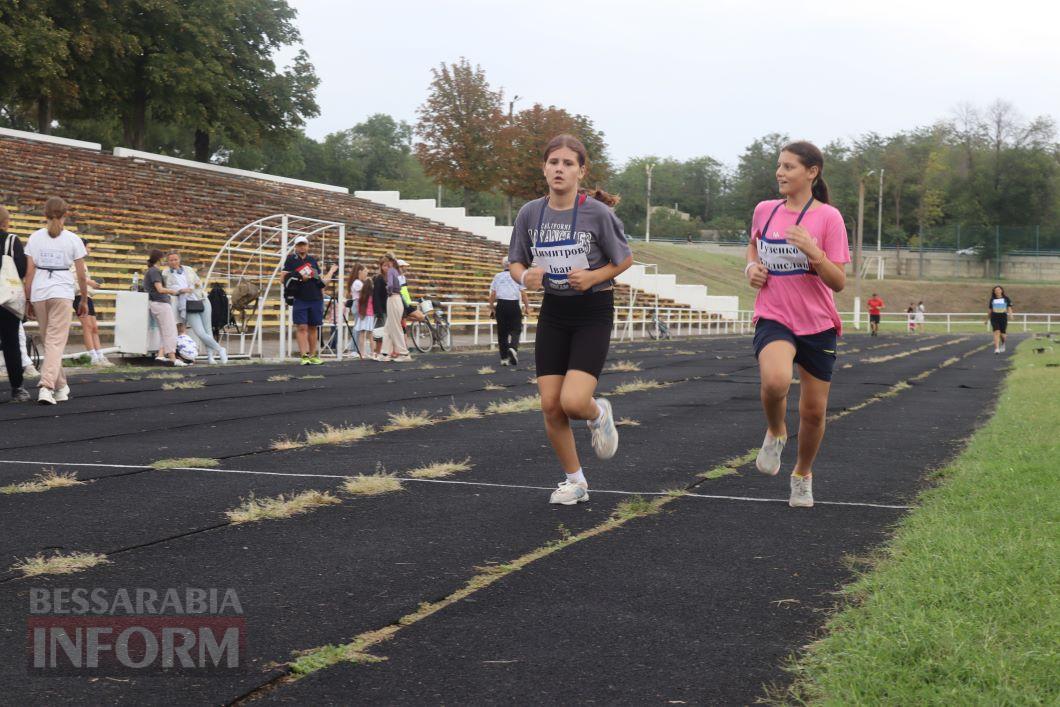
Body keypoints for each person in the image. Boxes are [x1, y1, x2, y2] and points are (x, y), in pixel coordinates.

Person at [508, 134, 633, 506]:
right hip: (555, 312)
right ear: (544, 168)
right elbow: (516, 261)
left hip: (592, 310)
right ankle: (575, 481)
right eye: (553, 162)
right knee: (550, 405)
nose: (559, 169)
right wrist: (523, 277)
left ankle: (598, 413)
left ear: (581, 170)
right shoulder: (530, 212)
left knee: (575, 402)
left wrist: (595, 276)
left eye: (567, 163)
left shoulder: (597, 213)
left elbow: (624, 259)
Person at [744, 141, 850, 508]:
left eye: (788, 167)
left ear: (811, 172)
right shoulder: (764, 211)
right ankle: (775, 432)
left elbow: (838, 281)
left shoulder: (828, 218)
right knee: (774, 381)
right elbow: (753, 247)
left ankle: (802, 474)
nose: (780, 173)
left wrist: (814, 252)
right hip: (774, 315)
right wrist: (751, 269)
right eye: (779, 165)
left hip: (817, 323)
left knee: (813, 411)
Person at [23, 197, 90, 404]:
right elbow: (80, 275)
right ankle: (46, 386)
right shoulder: (73, 239)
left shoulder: (35, 238)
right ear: (65, 214)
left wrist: (27, 298)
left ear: (44, 214)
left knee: (50, 342)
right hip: (62, 292)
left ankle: (61, 387)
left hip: (40, 293)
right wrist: (84, 299)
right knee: (54, 342)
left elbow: (29, 272)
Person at [163, 251, 227, 363]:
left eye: (175, 259)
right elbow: (168, 290)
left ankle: (210, 357)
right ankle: (220, 349)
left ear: (179, 259)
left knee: (208, 330)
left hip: (201, 299)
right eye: (171, 260)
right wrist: (180, 291)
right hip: (186, 304)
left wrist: (192, 287)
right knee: (199, 332)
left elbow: (198, 283)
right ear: (167, 261)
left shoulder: (188, 269)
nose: (173, 262)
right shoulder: (165, 273)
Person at [282, 236, 337, 365]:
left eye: (304, 244)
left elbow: (320, 282)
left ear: (307, 246)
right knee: (301, 326)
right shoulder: (291, 259)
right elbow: (283, 279)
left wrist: (330, 273)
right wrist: (300, 278)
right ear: (295, 246)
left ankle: (313, 355)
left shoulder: (312, 260)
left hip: (316, 298)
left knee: (313, 328)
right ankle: (304, 356)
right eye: (299, 245)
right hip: (300, 298)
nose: (302, 247)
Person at [0, 207, 30, 401]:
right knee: (11, 343)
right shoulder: (12, 240)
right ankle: (17, 388)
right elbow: (21, 270)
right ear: (6, 220)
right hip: (7, 300)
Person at [69, 238, 112, 366]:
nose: (89, 249)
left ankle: (100, 355)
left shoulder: (83, 262)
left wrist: (90, 284)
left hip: (87, 295)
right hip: (78, 296)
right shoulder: (73, 261)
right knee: (87, 327)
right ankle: (93, 356)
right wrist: (90, 282)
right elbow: (75, 276)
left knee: (94, 327)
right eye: (88, 247)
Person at [144, 249, 185, 367]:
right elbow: (160, 289)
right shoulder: (155, 271)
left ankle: (161, 356)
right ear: (159, 259)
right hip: (161, 303)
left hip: (156, 303)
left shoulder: (151, 271)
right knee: (170, 331)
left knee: (164, 332)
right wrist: (174, 291)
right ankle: (172, 358)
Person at [489, 256, 530, 366]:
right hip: (513, 304)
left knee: (502, 333)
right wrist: (527, 307)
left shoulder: (498, 276)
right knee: (516, 329)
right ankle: (513, 347)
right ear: (512, 265)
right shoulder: (517, 276)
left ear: (503, 265)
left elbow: (493, 293)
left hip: (501, 304)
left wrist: (491, 307)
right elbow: (523, 293)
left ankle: (504, 359)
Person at [380, 253, 413, 362]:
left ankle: (404, 353)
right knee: (388, 328)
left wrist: (388, 290)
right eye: (383, 265)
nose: (384, 267)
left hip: (393, 298)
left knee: (395, 327)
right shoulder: (395, 271)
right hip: (395, 299)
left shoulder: (391, 271)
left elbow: (390, 286)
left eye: (386, 264)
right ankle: (385, 353)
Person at [348, 263, 374, 359]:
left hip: (361, 305)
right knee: (358, 328)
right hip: (360, 305)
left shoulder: (358, 282)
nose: (366, 274)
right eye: (365, 272)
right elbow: (365, 293)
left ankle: (356, 349)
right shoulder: (358, 282)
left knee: (359, 328)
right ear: (360, 272)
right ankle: (354, 349)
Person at [371, 257, 389, 360]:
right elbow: (376, 296)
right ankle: (377, 353)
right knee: (379, 333)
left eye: (388, 265)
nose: (386, 268)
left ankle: (382, 353)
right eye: (384, 265)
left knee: (385, 333)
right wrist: (378, 311)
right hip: (381, 310)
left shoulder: (390, 278)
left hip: (388, 308)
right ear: (381, 267)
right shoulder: (379, 278)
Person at [987, 286, 1013, 354]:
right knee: (996, 332)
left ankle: (1003, 343)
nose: (997, 291)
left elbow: (1009, 307)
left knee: (1003, 334)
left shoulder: (1006, 298)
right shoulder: (992, 299)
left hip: (1003, 317)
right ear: (994, 292)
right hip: (994, 317)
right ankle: (997, 349)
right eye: (996, 290)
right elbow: (990, 310)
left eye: (999, 289)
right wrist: (987, 319)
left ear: (1002, 290)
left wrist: (1011, 315)